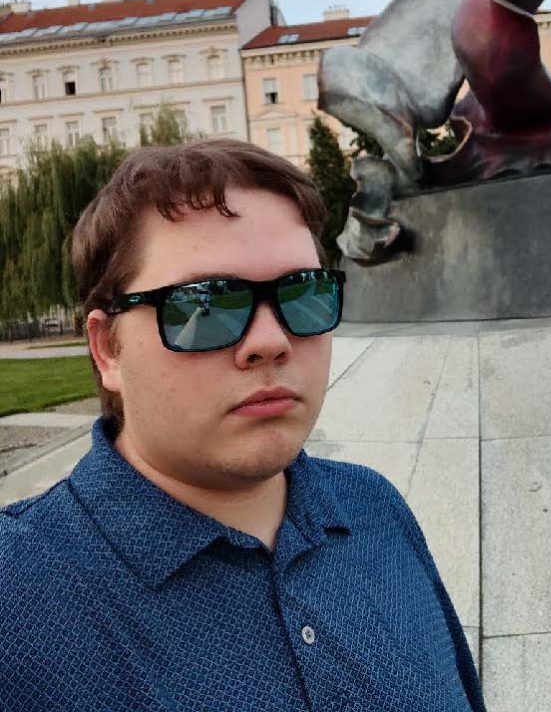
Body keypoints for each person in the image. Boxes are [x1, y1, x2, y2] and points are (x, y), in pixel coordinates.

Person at [0, 140, 484, 712]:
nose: (271, 341)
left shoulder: (372, 508)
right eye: (205, 305)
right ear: (108, 349)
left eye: (303, 293)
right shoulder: (17, 597)